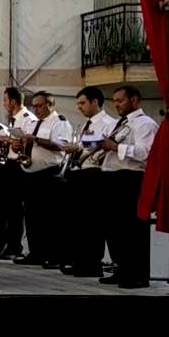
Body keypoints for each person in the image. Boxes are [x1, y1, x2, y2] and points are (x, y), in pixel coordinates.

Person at [99, 85, 159, 289]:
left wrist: (115, 147)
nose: (116, 104)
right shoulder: (120, 124)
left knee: (132, 229)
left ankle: (137, 275)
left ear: (134, 100)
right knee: (115, 228)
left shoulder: (145, 124)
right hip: (114, 177)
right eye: (114, 101)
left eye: (120, 100)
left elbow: (145, 152)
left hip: (130, 179)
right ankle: (122, 269)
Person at [60, 86, 116, 277]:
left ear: (95, 102)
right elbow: (84, 147)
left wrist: (79, 147)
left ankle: (92, 263)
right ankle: (80, 260)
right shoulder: (85, 125)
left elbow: (101, 146)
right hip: (80, 173)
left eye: (83, 103)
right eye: (78, 104)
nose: (79, 107)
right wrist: (75, 150)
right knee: (79, 221)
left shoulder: (108, 123)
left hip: (96, 175)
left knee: (93, 221)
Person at [12, 91, 72, 269]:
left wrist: (36, 139)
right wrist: (18, 145)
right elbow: (25, 144)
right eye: (34, 106)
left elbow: (61, 145)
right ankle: (36, 252)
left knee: (51, 217)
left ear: (50, 105)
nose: (36, 109)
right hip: (29, 172)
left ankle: (55, 255)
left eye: (39, 106)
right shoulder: (31, 123)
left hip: (48, 173)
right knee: (32, 216)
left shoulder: (59, 122)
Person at [0, 86, 36, 259]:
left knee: (14, 208)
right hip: (10, 163)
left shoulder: (27, 118)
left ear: (13, 101)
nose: (4, 104)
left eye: (5, 100)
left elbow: (31, 140)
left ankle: (14, 245)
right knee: (4, 206)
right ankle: (3, 244)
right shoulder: (14, 119)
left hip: (19, 165)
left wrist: (19, 143)